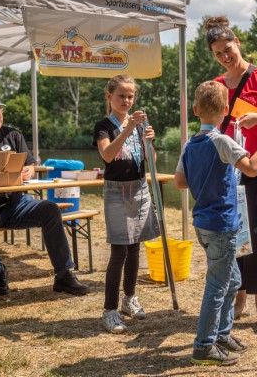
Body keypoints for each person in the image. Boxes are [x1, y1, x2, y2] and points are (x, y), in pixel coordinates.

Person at [175, 81, 257, 366]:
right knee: (217, 286)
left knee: (233, 279)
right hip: (221, 224)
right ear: (226, 110)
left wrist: (206, 177)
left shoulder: (189, 145)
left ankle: (222, 335)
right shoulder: (222, 141)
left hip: (203, 223)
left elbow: (180, 182)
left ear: (196, 110)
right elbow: (253, 168)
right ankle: (203, 346)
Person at [0, 91, 89, 296]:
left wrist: (28, 172)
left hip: (15, 204)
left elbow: (31, 165)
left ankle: (64, 275)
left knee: (50, 209)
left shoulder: (13, 135)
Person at [205, 16, 257, 329]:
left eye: (228, 49)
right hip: (231, 169)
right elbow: (211, 123)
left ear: (237, 43)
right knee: (236, 235)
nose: (225, 56)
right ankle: (238, 296)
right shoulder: (216, 85)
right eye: (218, 54)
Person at [93, 74, 160, 334]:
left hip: (139, 189)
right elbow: (108, 155)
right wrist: (129, 129)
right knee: (119, 251)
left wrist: (149, 141)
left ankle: (129, 298)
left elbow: (150, 161)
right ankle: (109, 310)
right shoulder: (103, 126)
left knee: (134, 248)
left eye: (130, 96)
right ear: (109, 97)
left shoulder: (139, 125)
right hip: (116, 192)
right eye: (121, 96)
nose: (126, 100)